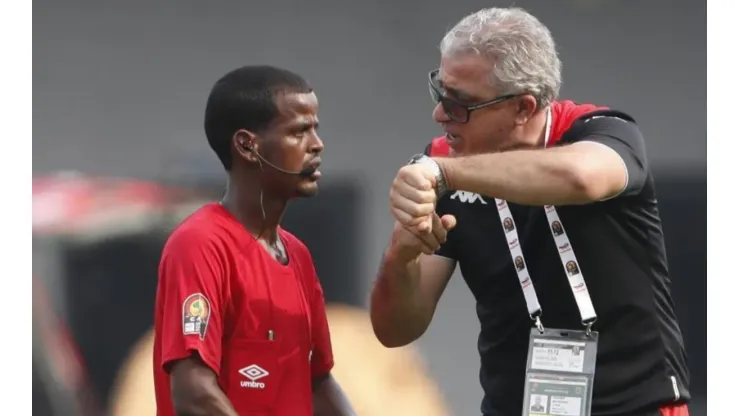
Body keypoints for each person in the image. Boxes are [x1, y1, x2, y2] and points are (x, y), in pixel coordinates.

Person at [369, 7, 691, 416]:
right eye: (440, 92)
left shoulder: (602, 131)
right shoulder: (443, 164)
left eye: (460, 103)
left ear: (523, 107)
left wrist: (445, 172)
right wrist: (401, 257)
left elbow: (582, 178)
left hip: (635, 407)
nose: (440, 115)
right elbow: (395, 331)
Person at [152, 65, 355, 416]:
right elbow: (193, 393)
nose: (317, 145)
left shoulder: (299, 257)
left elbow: (318, 382)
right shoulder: (200, 245)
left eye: (315, 130)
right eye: (299, 132)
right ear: (248, 145)